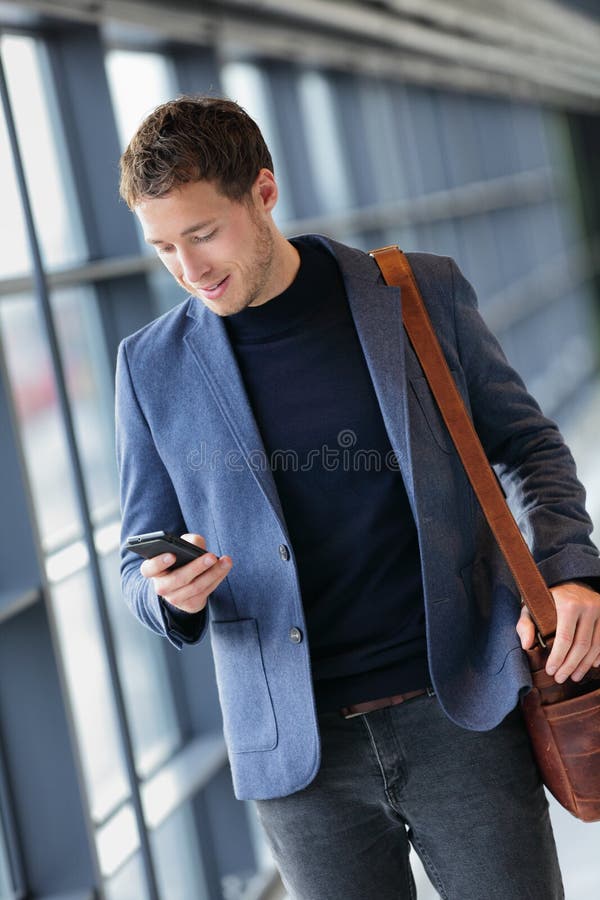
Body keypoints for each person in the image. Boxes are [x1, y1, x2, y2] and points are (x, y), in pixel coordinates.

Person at [116, 95, 600, 899]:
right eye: (163, 246)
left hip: (463, 715)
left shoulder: (413, 295)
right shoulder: (151, 367)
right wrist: (170, 595)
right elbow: (136, 560)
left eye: (204, 234)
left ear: (263, 193)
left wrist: (569, 566)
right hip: (301, 765)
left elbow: (526, 446)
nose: (189, 270)